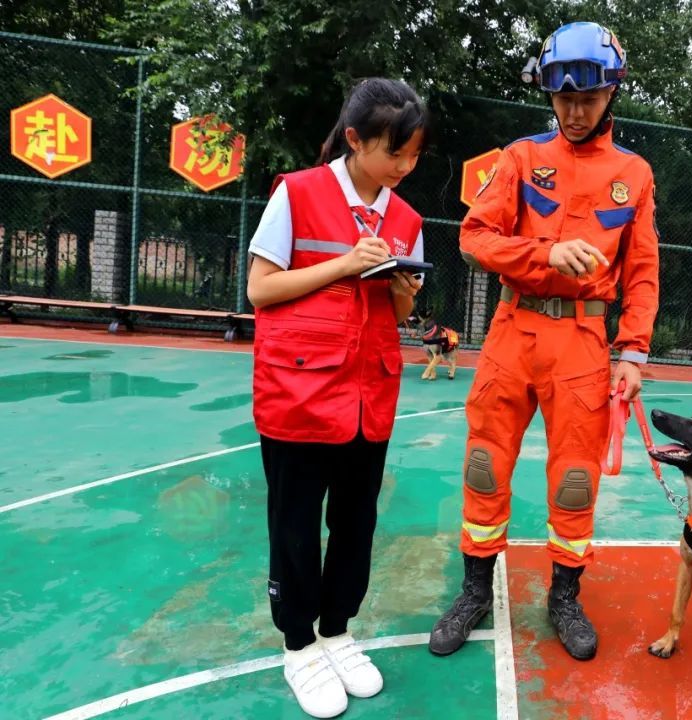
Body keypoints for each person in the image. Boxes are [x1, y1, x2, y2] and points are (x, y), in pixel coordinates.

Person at [429, 21, 659, 661]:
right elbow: (475, 237)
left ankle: (564, 596)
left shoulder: (634, 174)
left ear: (611, 93)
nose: (575, 112)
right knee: (484, 464)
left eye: (588, 99)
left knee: (576, 478)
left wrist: (633, 352)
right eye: (563, 99)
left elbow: (643, 270)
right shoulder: (521, 158)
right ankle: (475, 589)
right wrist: (545, 254)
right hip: (513, 330)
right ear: (549, 95)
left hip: (583, 341)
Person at [246, 78, 427, 718]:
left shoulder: (406, 220)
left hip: (367, 397)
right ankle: (298, 645)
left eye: (414, 155)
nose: (404, 167)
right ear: (354, 139)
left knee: (356, 523)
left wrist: (401, 290)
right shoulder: (297, 194)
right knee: (295, 526)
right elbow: (261, 289)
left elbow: (399, 313)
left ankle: (337, 632)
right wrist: (346, 264)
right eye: (394, 153)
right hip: (299, 392)